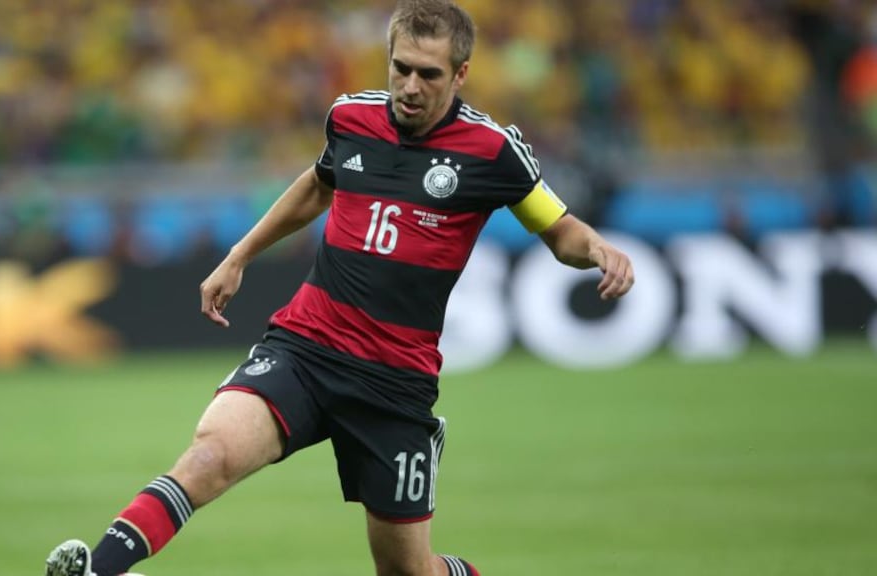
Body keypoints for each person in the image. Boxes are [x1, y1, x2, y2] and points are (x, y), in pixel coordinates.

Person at [45, 1, 635, 574]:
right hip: (304, 348)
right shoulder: (351, 119)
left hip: (393, 383)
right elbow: (316, 185)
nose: (409, 85)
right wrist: (240, 255)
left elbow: (558, 229)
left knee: (406, 570)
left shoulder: (492, 152)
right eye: (399, 67)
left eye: (428, 74)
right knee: (210, 455)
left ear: (460, 74)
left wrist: (599, 249)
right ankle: (99, 569)